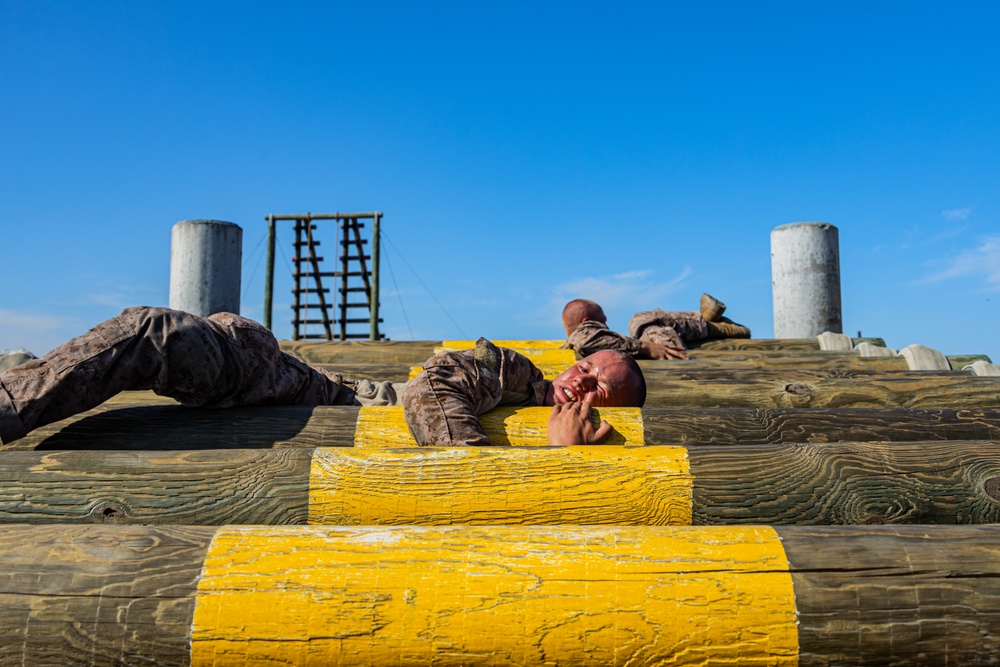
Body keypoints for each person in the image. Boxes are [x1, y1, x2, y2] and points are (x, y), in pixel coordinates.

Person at [0, 306, 646, 448]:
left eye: (599, 392)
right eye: (585, 369)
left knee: (159, 335)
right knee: (155, 334)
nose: (581, 387)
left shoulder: (584, 418)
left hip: (288, 382)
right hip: (306, 388)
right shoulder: (516, 372)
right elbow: (431, 387)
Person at [561, 294, 750, 361]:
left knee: (644, 324)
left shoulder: (579, 340)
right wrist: (646, 347)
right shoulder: (582, 336)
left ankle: (708, 323)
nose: (607, 324)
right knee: (639, 321)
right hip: (669, 362)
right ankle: (711, 325)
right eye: (602, 321)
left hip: (657, 359)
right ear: (586, 322)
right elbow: (585, 340)